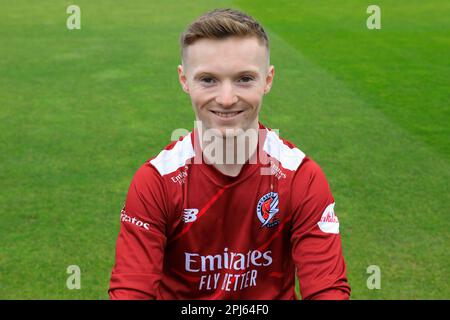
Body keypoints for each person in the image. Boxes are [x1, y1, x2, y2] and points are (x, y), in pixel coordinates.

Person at [109, 8, 351, 300]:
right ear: (184, 80)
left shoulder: (301, 177)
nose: (226, 99)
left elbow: (327, 291)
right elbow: (130, 293)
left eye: (244, 79)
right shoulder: (156, 182)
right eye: (208, 80)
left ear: (268, 80)